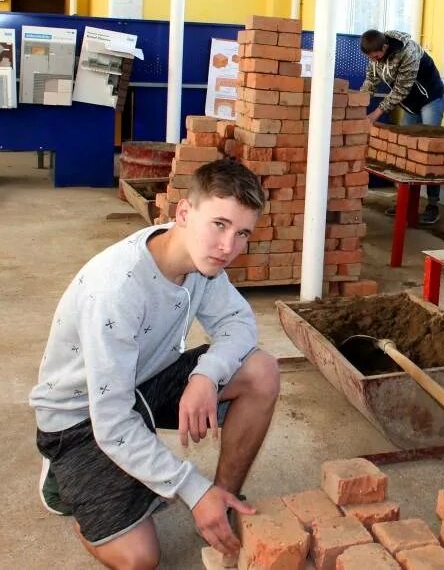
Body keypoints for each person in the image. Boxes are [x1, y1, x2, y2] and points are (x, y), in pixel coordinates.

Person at [29, 159, 280, 568]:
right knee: (139, 559)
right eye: (219, 224)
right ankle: (68, 484)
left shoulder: (205, 266)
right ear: (183, 213)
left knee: (261, 372)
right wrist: (188, 486)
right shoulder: (117, 288)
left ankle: (223, 501)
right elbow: (110, 422)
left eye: (242, 233)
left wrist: (205, 375)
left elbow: (239, 323)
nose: (228, 247)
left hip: (144, 382)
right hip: (82, 416)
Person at [360, 29, 444, 225]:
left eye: (377, 56)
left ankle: (433, 204)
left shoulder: (408, 52)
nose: (375, 60)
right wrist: (358, 105)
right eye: (371, 58)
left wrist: (375, 114)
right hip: (410, 104)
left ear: (385, 47)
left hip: (429, 99)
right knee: (405, 152)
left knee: (431, 151)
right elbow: (370, 82)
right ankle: (406, 203)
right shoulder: (374, 55)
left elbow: (401, 89)